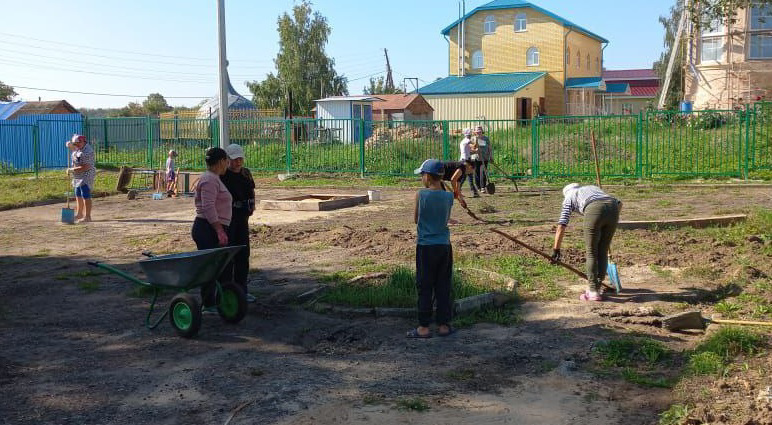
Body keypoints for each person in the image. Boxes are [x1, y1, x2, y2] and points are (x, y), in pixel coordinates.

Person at [407, 159, 455, 338]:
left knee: (425, 285)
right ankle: (444, 325)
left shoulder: (421, 195)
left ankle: (424, 327)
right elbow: (446, 219)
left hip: (426, 246)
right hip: (444, 246)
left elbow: (416, 219)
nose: (421, 178)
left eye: (422, 175)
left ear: (427, 176)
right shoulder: (449, 197)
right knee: (443, 284)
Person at [551, 183, 622, 302]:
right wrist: (609, 219)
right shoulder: (592, 188)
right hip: (613, 208)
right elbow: (619, 203)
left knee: (592, 252)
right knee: (602, 251)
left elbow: (562, 225)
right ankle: (597, 287)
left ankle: (593, 292)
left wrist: (556, 249)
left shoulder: (569, 196)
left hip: (594, 209)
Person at [192, 147, 233, 312]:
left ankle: (218, 300)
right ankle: (208, 303)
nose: (227, 165)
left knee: (219, 267)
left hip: (211, 227)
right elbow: (208, 207)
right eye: (227, 161)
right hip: (207, 228)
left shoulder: (213, 178)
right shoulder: (209, 179)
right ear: (222, 161)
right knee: (210, 268)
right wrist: (219, 230)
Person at [221, 144, 257, 303]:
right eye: (235, 159)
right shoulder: (223, 176)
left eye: (240, 159)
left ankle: (242, 290)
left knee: (243, 254)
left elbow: (252, 190)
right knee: (228, 256)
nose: (238, 162)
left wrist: (252, 204)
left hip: (243, 219)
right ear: (227, 159)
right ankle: (227, 292)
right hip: (228, 220)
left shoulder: (246, 173)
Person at [65, 134, 96, 223]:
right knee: (78, 193)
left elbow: (86, 166)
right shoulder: (79, 148)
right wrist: (70, 146)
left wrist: (72, 169)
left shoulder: (87, 152)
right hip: (78, 175)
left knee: (85, 194)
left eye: (78, 143)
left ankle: (88, 216)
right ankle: (79, 214)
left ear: (84, 142)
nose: (77, 145)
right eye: (75, 143)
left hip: (86, 175)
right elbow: (76, 151)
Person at [472, 126, 493, 194]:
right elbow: (471, 148)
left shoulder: (486, 139)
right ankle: (478, 186)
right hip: (476, 158)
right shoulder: (472, 139)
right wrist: (475, 149)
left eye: (480, 131)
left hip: (485, 158)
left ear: (482, 131)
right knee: (477, 173)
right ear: (475, 132)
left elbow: (489, 148)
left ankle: (483, 187)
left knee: (483, 172)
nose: (478, 132)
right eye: (477, 131)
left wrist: (491, 157)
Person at [458, 128, 476, 196]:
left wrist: (475, 152)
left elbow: (467, 152)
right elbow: (474, 145)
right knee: (470, 176)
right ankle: (474, 192)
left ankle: (458, 190)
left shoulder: (463, 141)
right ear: (469, 135)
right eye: (471, 134)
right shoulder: (467, 140)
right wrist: (476, 138)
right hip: (466, 161)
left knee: (464, 177)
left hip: (464, 160)